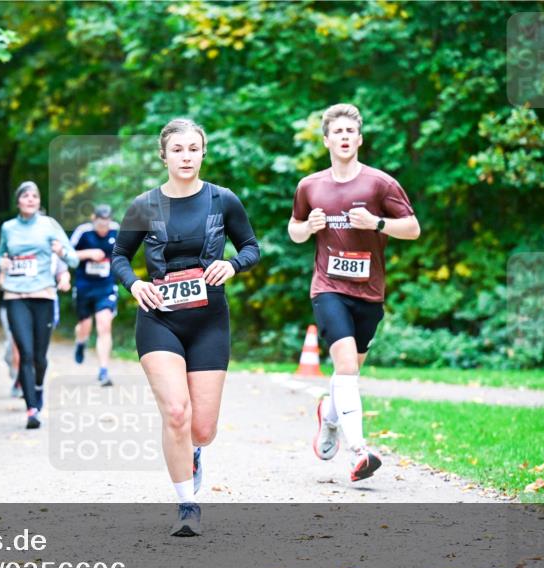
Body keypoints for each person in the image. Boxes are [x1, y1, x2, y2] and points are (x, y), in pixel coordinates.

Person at [112, 119, 260, 537]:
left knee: (202, 429)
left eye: (193, 149)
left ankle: (193, 453)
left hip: (210, 319)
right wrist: (135, 283)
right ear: (164, 155)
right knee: (176, 412)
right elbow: (119, 255)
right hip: (159, 318)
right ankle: (186, 505)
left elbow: (252, 247)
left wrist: (231, 265)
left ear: (203, 153)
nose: (186, 156)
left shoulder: (222, 200)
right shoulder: (144, 205)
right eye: (178, 149)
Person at [288, 103, 420, 482]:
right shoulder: (310, 186)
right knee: (345, 367)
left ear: (359, 139)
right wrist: (309, 227)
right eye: (338, 132)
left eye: (351, 132)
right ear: (327, 140)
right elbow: (294, 231)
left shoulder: (380, 184)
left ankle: (328, 418)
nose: (344, 137)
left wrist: (378, 223)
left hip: (369, 293)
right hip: (327, 288)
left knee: (348, 375)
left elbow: (412, 228)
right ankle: (360, 451)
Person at [0, 181, 79, 429]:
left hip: (43, 295)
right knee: (25, 352)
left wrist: (61, 251)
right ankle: (32, 408)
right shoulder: (8, 228)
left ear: (38, 201)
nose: (31, 199)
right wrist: (1, 263)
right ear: (18, 201)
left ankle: (39, 387)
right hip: (15, 295)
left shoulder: (49, 225)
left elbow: (73, 259)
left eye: (35, 196)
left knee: (40, 357)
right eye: (26, 196)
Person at [70, 204, 121, 387]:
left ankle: (103, 370)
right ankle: (81, 342)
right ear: (94, 219)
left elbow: (125, 252)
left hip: (105, 286)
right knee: (85, 325)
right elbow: (68, 254)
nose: (103, 227)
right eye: (100, 222)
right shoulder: (83, 232)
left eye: (106, 222)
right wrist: (88, 253)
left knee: (104, 325)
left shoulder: (116, 231)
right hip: (84, 286)